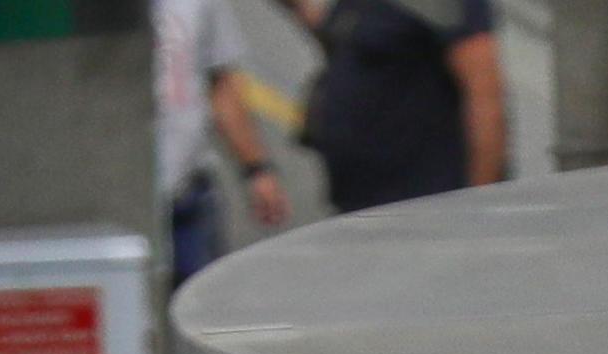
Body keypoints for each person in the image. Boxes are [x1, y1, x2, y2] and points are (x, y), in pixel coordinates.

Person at [302, 0, 509, 211]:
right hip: (363, 201)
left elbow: (485, 97)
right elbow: (353, 41)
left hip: (418, 206)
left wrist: (478, 209)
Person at [158, 0, 298, 277]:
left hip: (187, 195)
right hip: (109, 202)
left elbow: (222, 81)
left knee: (200, 307)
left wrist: (257, 169)